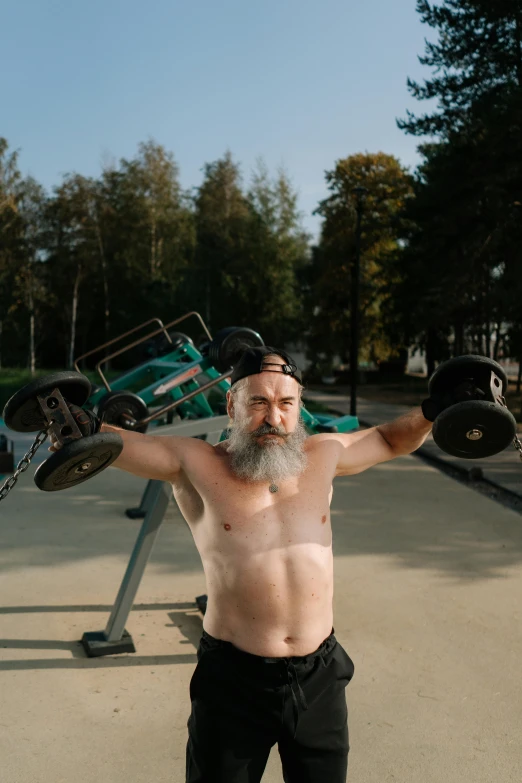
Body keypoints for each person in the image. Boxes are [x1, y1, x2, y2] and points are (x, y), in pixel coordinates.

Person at [50, 346, 433, 782]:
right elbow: (113, 443)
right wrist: (81, 426)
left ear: (298, 407)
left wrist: (435, 409)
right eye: (258, 402)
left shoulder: (323, 455)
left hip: (319, 677)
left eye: (286, 404)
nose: (273, 418)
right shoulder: (193, 462)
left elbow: (387, 439)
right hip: (233, 682)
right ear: (232, 404)